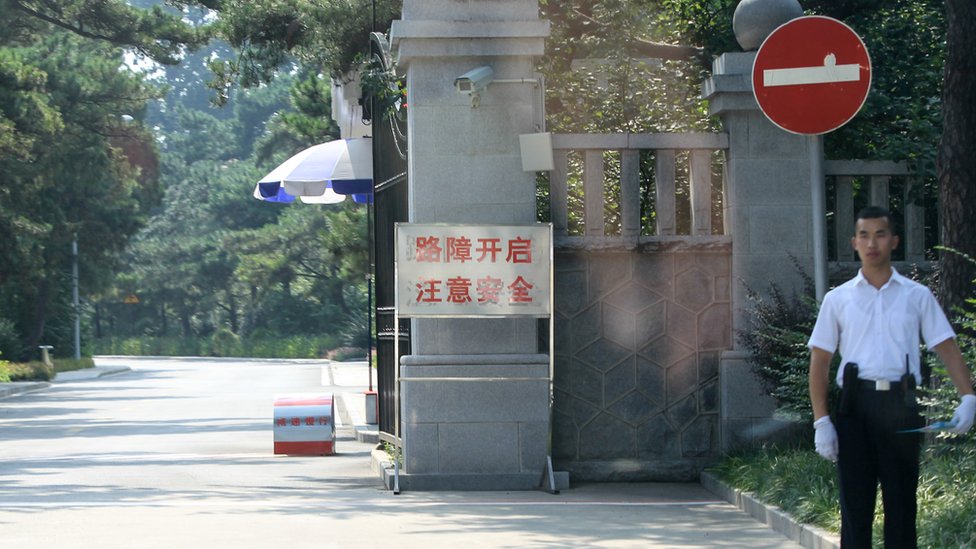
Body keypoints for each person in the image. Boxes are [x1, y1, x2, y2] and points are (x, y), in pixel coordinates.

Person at [807, 205, 976, 548]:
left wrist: (968, 397)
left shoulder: (917, 296)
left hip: (900, 406)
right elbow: (820, 361)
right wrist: (821, 422)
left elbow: (946, 347)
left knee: (901, 507)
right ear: (854, 242)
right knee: (855, 508)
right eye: (865, 235)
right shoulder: (838, 300)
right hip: (855, 407)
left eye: (880, 234)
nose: (873, 243)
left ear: (894, 241)